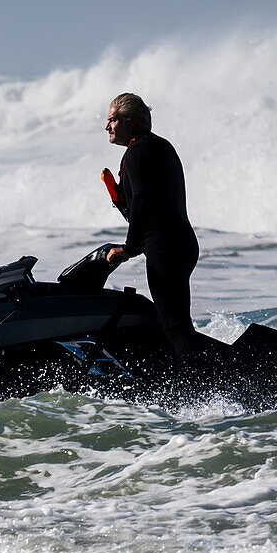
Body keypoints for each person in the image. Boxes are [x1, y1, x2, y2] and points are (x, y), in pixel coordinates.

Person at [104, 93, 200, 358]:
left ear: (131, 121)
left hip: (165, 248)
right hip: (180, 243)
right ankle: (205, 379)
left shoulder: (139, 150)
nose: (107, 126)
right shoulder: (159, 146)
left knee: (175, 326)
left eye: (112, 120)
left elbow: (143, 203)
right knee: (177, 322)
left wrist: (129, 247)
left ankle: (205, 392)